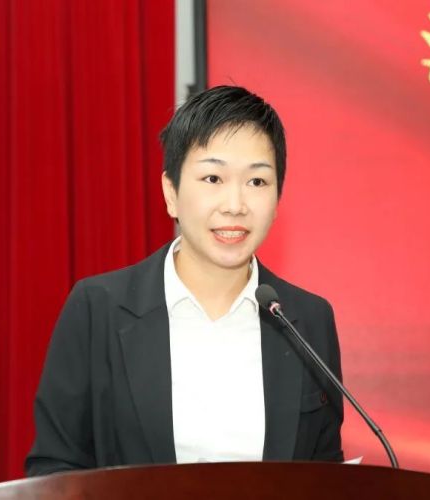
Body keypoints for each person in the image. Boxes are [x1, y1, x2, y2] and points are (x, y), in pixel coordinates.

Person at [25, 86, 343, 476]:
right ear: (171, 192)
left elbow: (327, 476)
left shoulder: (308, 320)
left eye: (257, 182)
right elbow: (55, 471)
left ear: (278, 199)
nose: (235, 205)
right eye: (213, 178)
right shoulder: (97, 308)